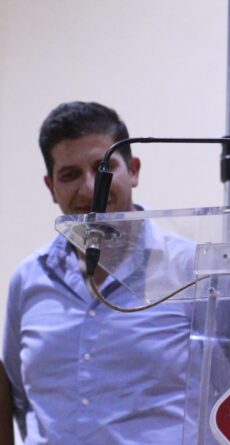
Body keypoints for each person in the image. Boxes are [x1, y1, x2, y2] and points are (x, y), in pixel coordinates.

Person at [2, 102, 192, 444]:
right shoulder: (28, 279)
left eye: (103, 168)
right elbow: (15, 396)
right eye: (70, 175)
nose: (90, 189)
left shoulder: (192, 268)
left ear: (133, 170)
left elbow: (226, 387)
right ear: (50, 187)